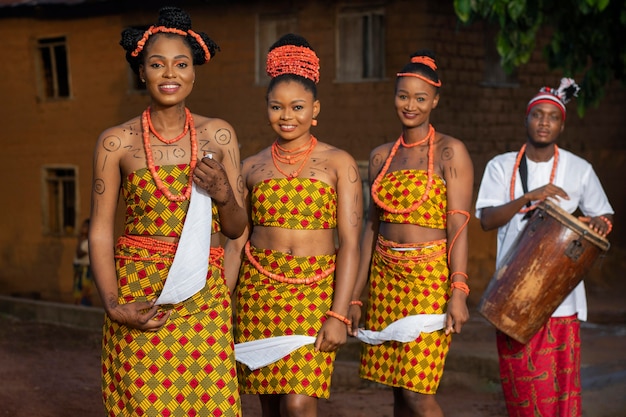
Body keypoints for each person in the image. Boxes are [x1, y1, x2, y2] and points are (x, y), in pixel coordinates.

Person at [88, 7, 246, 416]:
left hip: (203, 296)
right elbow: (101, 231)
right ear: (141, 72)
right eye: (157, 64)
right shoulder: (115, 143)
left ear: (194, 72)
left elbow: (236, 228)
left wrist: (224, 194)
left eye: (181, 64)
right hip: (140, 294)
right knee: (144, 406)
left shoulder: (220, 134)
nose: (170, 74)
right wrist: (113, 304)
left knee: (209, 406)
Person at [224, 33, 363, 417]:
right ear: (266, 108)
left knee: (299, 405)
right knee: (269, 407)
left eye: (298, 107)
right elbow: (235, 243)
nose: (287, 116)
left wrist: (338, 314)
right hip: (259, 294)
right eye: (277, 107)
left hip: (315, 295)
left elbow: (350, 243)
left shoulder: (340, 163)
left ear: (315, 109)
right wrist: (219, 304)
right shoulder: (250, 166)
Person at [474, 78, 614, 417]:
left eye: (552, 116)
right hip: (512, 297)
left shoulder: (580, 169)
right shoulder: (500, 165)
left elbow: (604, 214)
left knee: (561, 392)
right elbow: (486, 220)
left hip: (561, 300)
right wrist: (528, 197)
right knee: (523, 390)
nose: (544, 122)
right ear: (526, 119)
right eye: (538, 115)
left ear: (561, 124)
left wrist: (599, 223)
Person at [347, 50, 473, 417]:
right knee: (399, 391)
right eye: (404, 96)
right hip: (386, 281)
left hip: (429, 282)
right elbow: (372, 228)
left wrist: (459, 291)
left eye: (420, 98)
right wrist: (357, 297)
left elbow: (459, 226)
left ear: (435, 100)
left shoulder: (451, 152)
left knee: (419, 393)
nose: (411, 105)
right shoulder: (380, 156)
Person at [73, 218, 93, 306]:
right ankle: (78, 306)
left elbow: (79, 254)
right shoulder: (83, 240)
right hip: (79, 268)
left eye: (85, 226)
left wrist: (80, 240)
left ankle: (85, 306)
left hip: (86, 269)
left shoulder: (89, 241)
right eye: (83, 226)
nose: (82, 228)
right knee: (77, 289)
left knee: (85, 290)